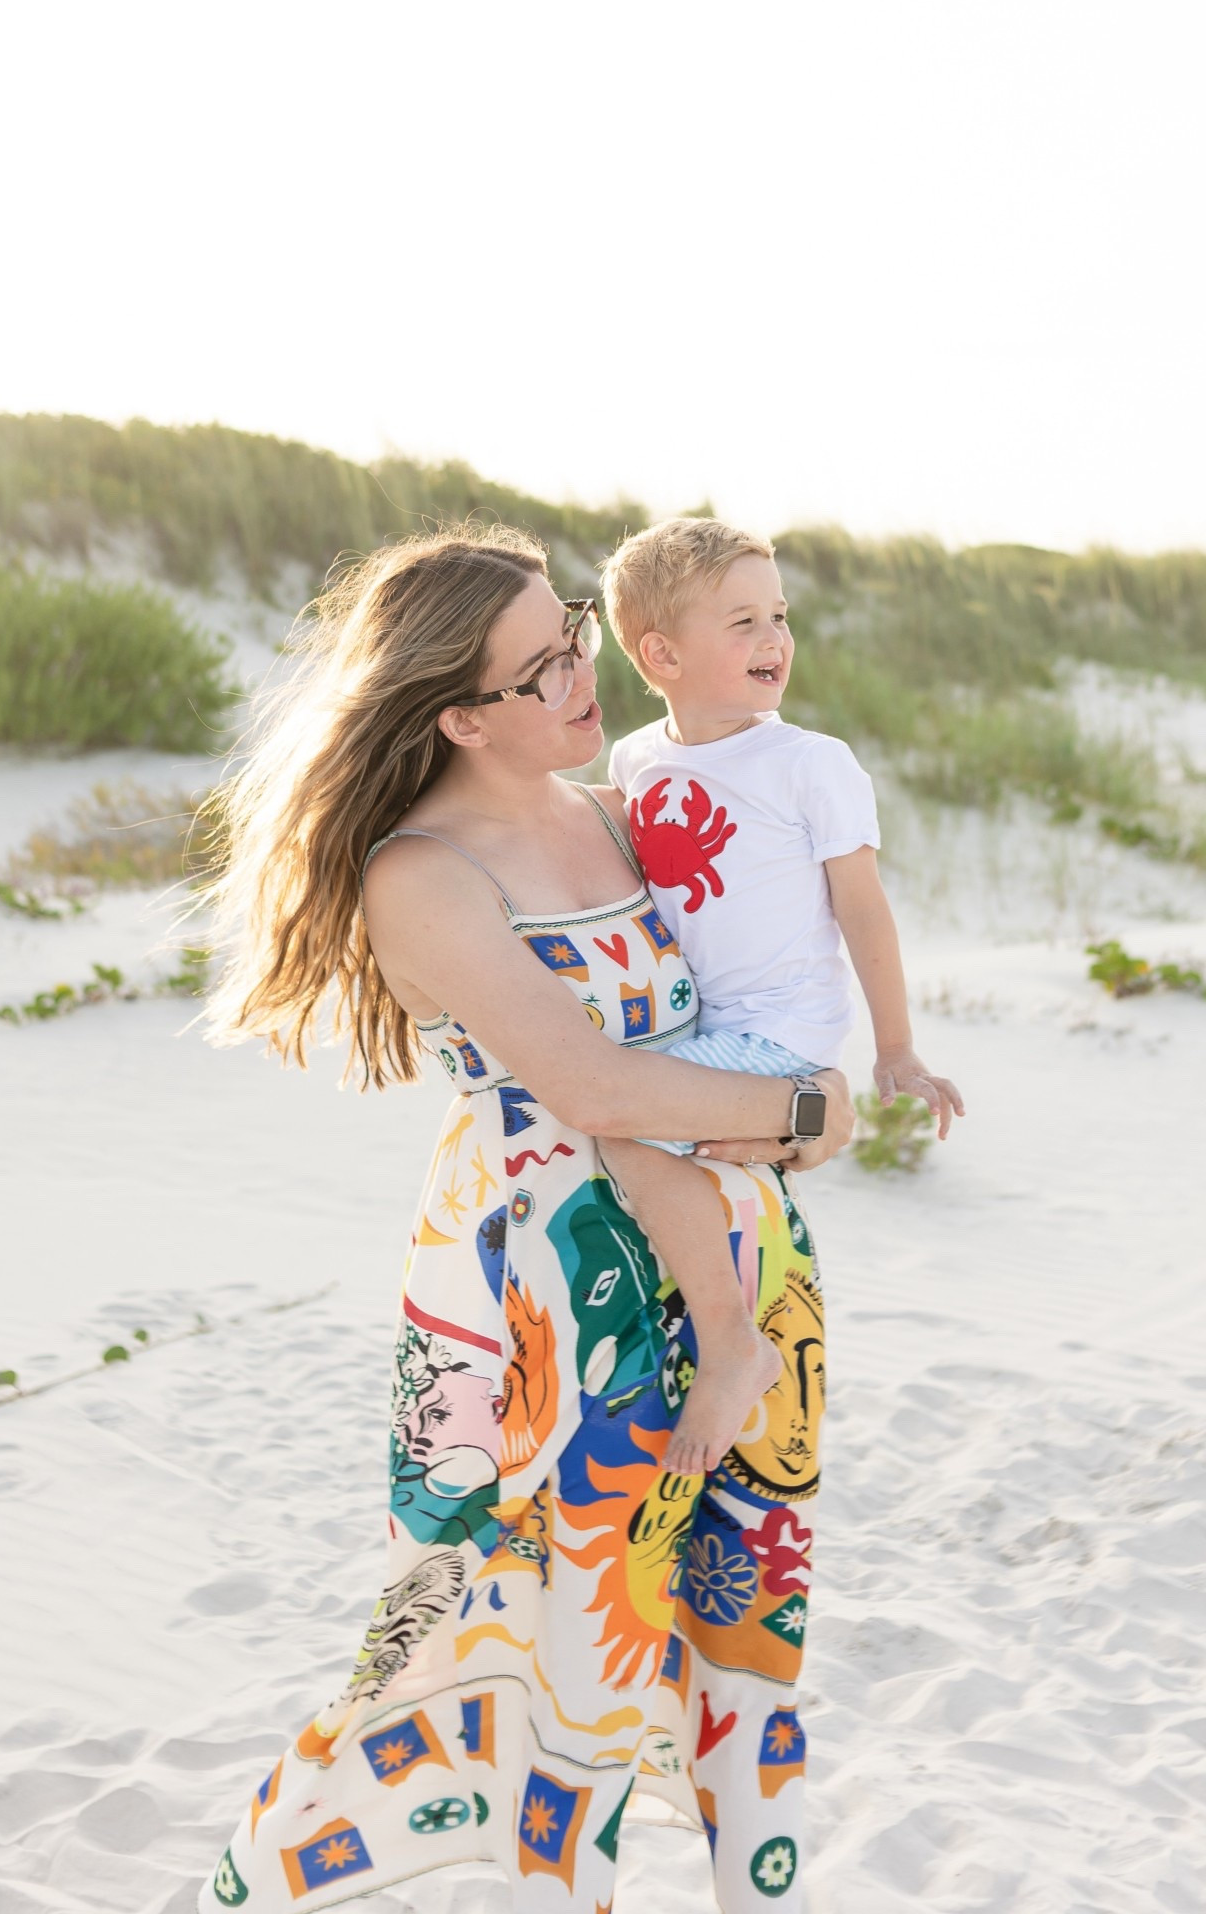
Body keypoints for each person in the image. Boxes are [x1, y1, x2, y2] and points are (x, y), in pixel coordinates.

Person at [196, 524, 852, 1914]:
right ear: (456, 716)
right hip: (553, 1310)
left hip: (732, 1269)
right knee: (502, 1636)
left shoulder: (619, 807)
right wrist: (800, 1116)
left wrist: (814, 1093)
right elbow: (590, 1081)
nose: (580, 670)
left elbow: (752, 971)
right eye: (539, 664)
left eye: (570, 631)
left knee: (735, 1622)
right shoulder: (420, 876)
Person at [599, 517, 964, 1476]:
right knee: (643, 1119)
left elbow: (865, 908)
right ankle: (764, 1149)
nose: (774, 641)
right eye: (743, 623)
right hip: (707, 1028)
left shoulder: (810, 762)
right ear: (661, 654)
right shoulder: (638, 762)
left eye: (779, 616)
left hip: (781, 1028)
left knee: (622, 1122)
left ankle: (734, 1350)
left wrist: (895, 1049)